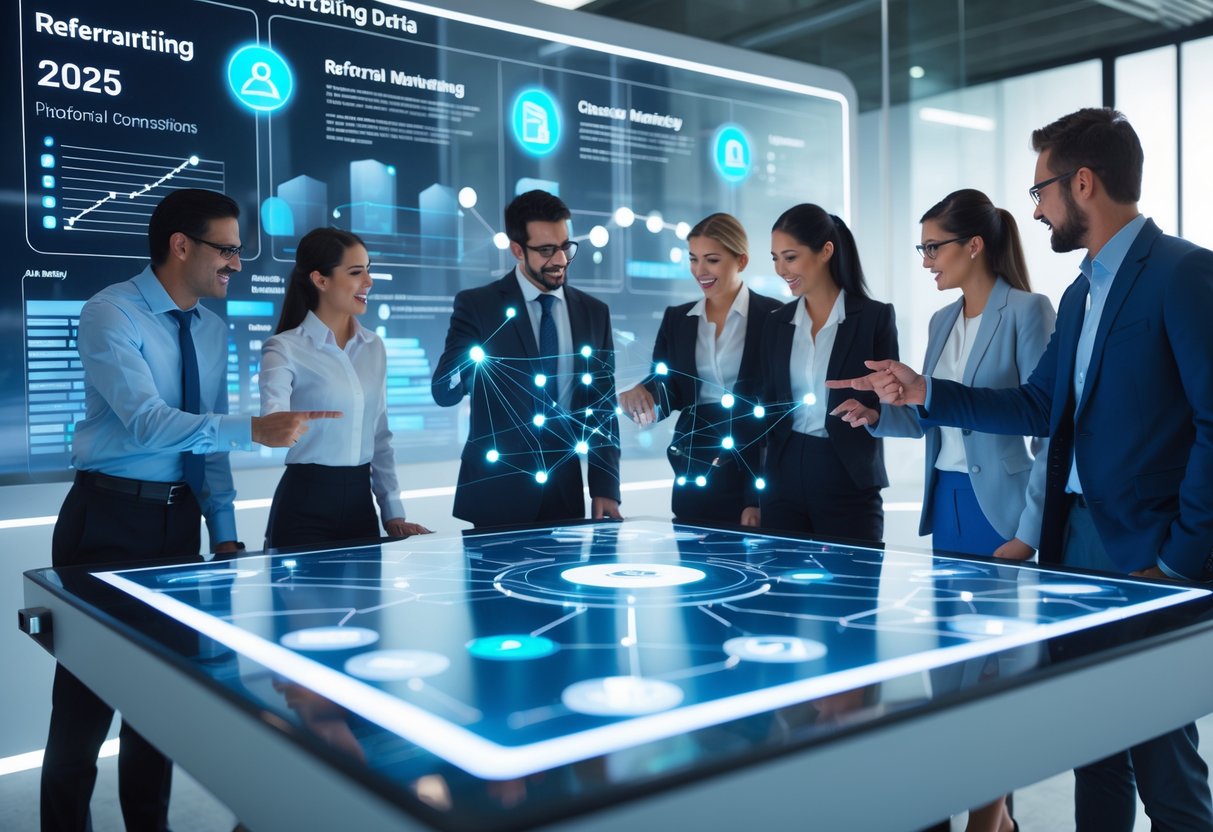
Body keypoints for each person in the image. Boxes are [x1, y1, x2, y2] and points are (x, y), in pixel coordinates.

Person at [829, 107, 1213, 831]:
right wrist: (925, 393)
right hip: (1074, 549)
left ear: (1083, 183)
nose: (1032, 208)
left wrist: (1179, 557)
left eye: (1040, 189)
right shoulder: (1079, 293)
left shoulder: (1183, 273)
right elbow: (1040, 408)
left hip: (1148, 555)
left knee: (1164, 761)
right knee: (1093, 749)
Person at [42, 188, 338, 831]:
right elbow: (148, 424)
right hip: (108, 520)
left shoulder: (209, 326)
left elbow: (203, 441)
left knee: (159, 706)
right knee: (83, 711)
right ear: (182, 245)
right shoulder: (110, 313)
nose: (237, 262)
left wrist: (225, 534)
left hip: (178, 526)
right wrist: (250, 429)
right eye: (227, 249)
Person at [834, 189, 1056, 565]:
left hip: (1003, 507)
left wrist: (1031, 530)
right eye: (923, 250)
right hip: (945, 497)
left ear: (974, 245)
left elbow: (1049, 428)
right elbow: (930, 411)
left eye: (933, 248)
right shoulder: (941, 321)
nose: (926, 262)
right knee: (946, 620)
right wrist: (876, 415)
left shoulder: (1028, 310)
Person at [430, 189, 622, 528]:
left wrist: (605, 487)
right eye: (547, 250)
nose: (560, 260)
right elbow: (443, 392)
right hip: (495, 495)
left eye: (565, 247)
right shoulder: (479, 306)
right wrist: (469, 368)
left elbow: (601, 407)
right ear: (517, 250)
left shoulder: (595, 313)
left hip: (564, 495)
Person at [260, 227, 431, 548]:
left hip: (359, 505)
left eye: (369, 270)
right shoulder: (283, 348)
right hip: (304, 504)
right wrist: (283, 424)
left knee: (368, 599)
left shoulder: (374, 346)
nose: (368, 282)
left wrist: (392, 511)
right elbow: (273, 420)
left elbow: (380, 436)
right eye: (356, 272)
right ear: (320, 280)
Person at [617, 213, 781, 526]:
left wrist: (755, 498)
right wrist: (641, 394)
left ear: (741, 261)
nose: (699, 271)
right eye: (693, 259)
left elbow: (780, 408)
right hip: (695, 468)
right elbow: (669, 389)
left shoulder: (775, 316)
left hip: (755, 465)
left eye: (712, 260)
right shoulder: (678, 319)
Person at [758, 204, 898, 542]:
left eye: (790, 257)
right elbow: (762, 407)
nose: (780, 269)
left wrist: (874, 413)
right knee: (780, 589)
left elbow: (895, 399)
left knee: (852, 589)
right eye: (775, 258)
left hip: (847, 476)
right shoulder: (776, 322)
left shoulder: (873, 318)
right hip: (783, 477)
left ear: (826, 252)